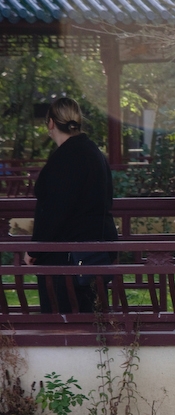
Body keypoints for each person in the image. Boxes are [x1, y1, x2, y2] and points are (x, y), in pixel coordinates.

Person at [24, 97, 118, 313]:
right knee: (90, 320)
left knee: (62, 321)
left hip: (67, 256)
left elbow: (55, 210)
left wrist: (35, 247)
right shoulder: (94, 152)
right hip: (96, 251)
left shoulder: (64, 158)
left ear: (50, 123)